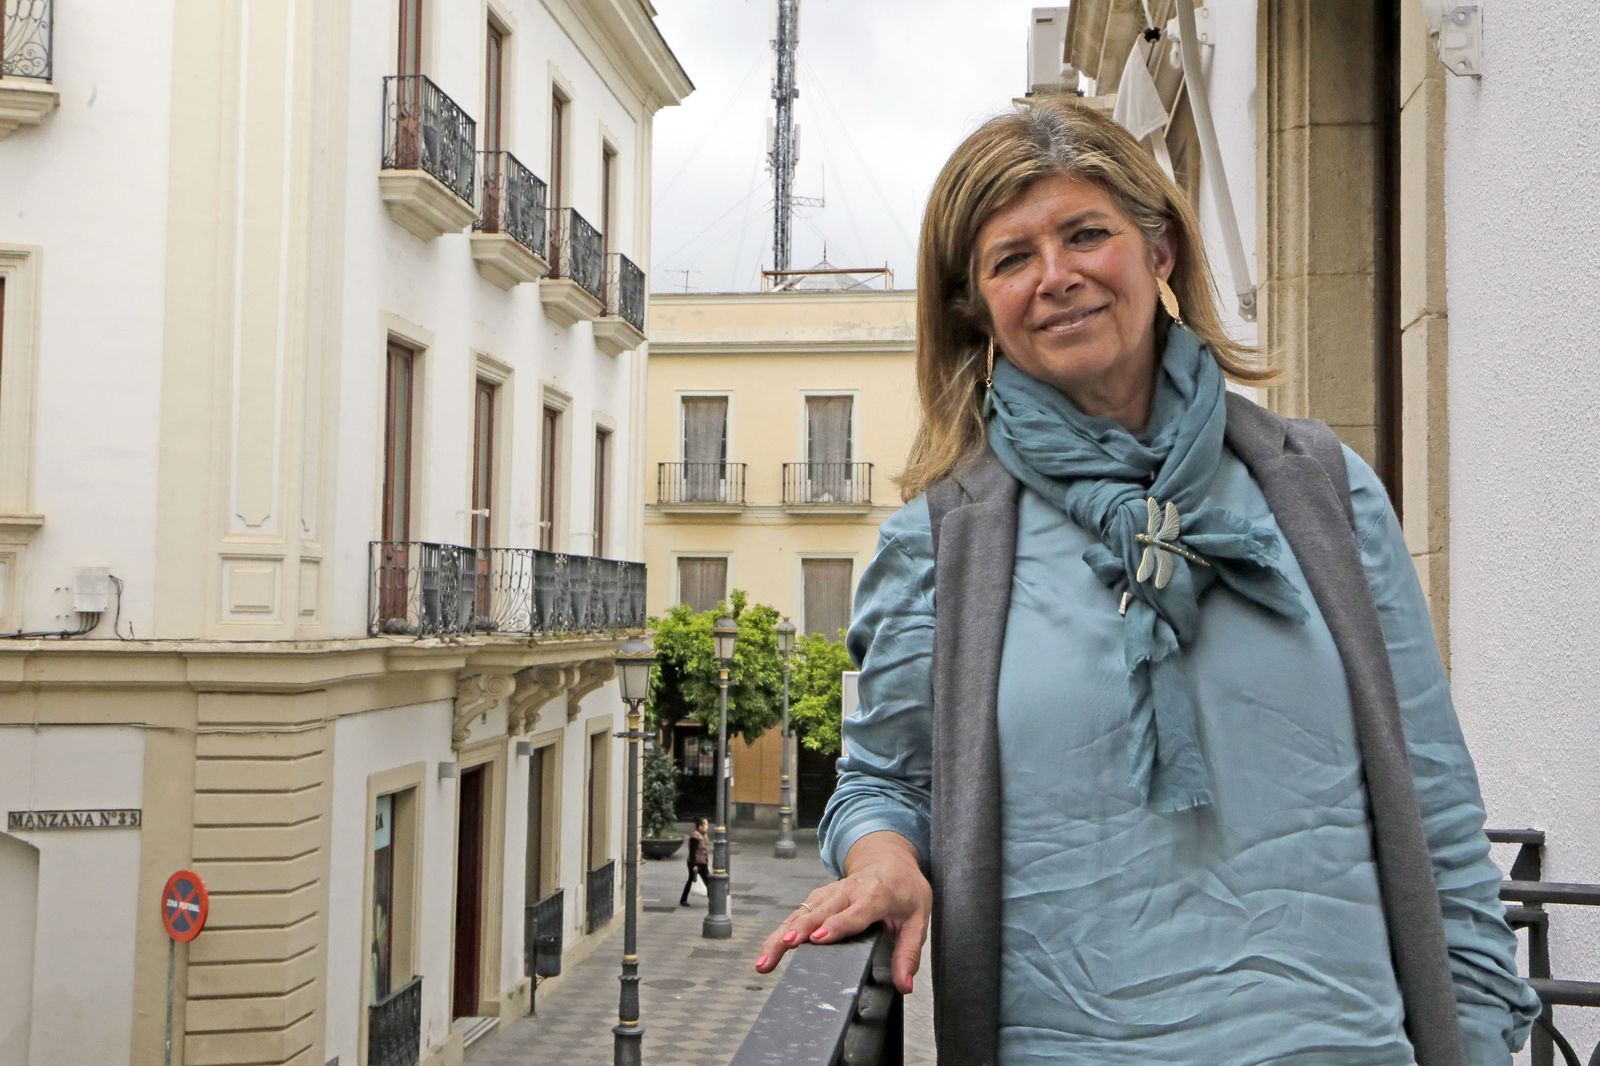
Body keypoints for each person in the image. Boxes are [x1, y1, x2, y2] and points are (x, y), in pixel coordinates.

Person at [754, 97, 1540, 1064]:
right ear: (974, 306)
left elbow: (1436, 801)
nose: (1057, 276)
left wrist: (1481, 1035)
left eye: (1088, 234)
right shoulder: (938, 545)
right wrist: (882, 861)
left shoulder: (1322, 493)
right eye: (1012, 258)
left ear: (1160, 249)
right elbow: (881, 781)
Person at [680, 816, 710, 907]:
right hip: (695, 863)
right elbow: (692, 852)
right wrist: (694, 865)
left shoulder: (704, 835)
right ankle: (683, 900)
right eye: (706, 824)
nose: (707, 826)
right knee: (691, 880)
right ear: (700, 826)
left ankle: (712, 899)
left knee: (708, 881)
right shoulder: (695, 836)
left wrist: (706, 860)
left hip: (703, 863)